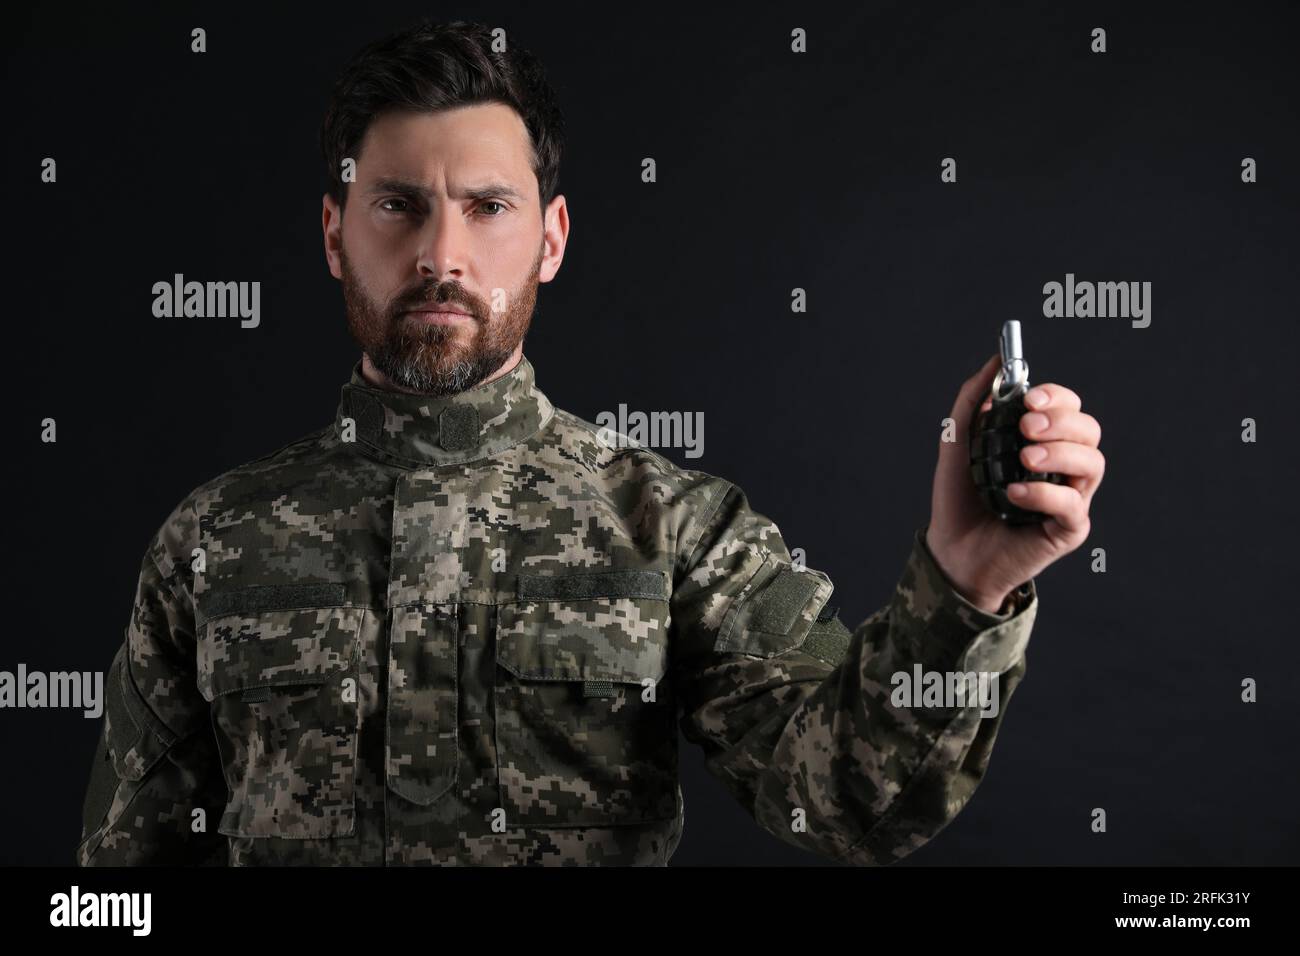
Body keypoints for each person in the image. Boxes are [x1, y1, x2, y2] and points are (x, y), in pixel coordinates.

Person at [77, 18, 1104, 866]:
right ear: (335, 231)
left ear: (551, 238)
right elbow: (118, 889)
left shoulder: (677, 527)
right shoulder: (213, 540)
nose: (441, 253)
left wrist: (962, 591)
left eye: (488, 207)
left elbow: (844, 803)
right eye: (398, 205)